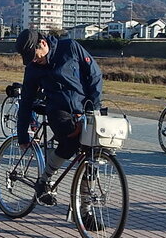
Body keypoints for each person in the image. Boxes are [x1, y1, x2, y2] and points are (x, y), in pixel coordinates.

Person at [14, 29, 103, 218]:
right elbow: (26, 101)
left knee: (95, 151)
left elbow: (94, 75)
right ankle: (44, 180)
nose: (34, 61)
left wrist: (93, 107)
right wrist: (22, 135)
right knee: (70, 142)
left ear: (43, 44)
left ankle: (85, 210)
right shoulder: (33, 68)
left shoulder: (70, 48)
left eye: (35, 56)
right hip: (58, 111)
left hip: (85, 107)